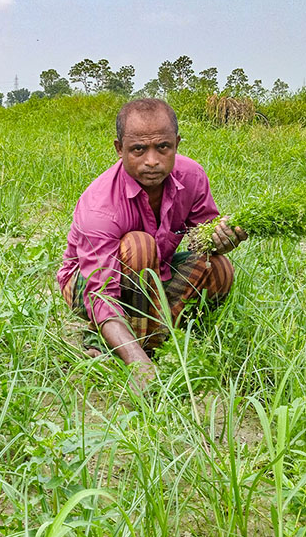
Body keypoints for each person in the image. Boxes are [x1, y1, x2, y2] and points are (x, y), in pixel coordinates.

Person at [57, 98, 247, 387]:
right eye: (138, 149)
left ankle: (122, 339)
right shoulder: (101, 206)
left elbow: (201, 239)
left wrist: (222, 240)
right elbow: (100, 295)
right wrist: (139, 364)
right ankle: (140, 346)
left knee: (219, 269)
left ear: (176, 144)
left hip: (156, 272)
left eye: (163, 147)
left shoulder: (192, 176)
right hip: (89, 285)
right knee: (140, 246)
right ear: (119, 149)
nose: (152, 161)